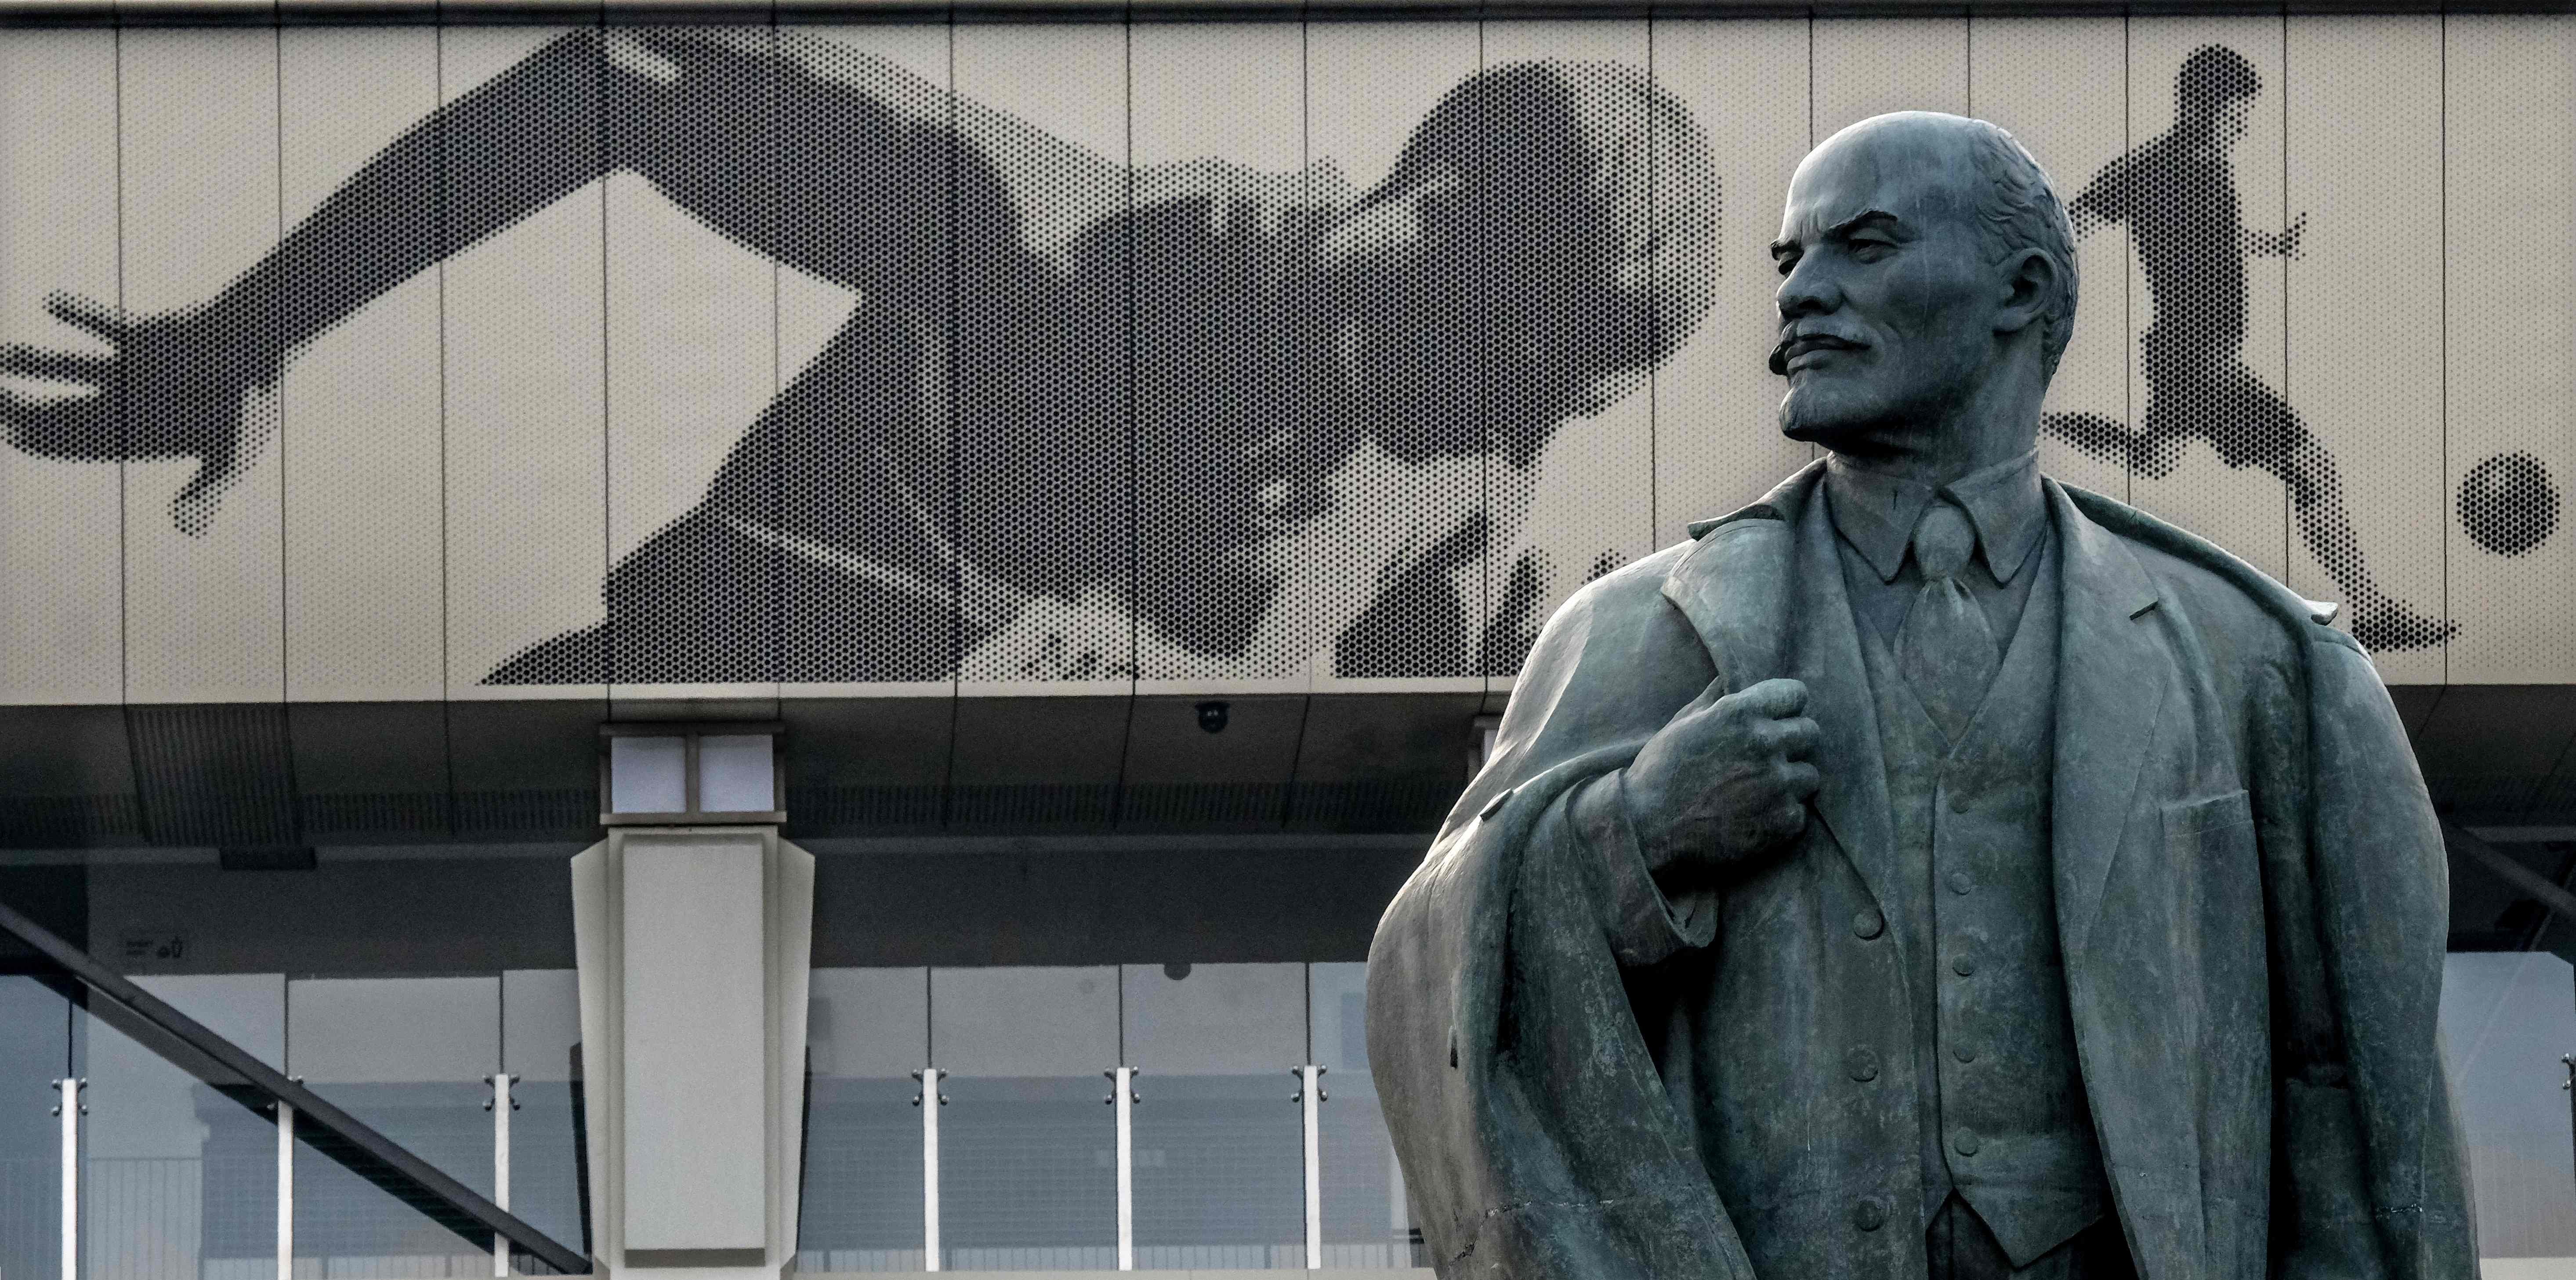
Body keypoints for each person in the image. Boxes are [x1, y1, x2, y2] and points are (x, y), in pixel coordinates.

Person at [1367, 112, 2473, 1280]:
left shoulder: (2258, 665)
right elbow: (1425, 971)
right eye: (1792, 264)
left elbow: (2352, 1104)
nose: (1801, 296)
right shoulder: (1639, 635)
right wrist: (1632, 830)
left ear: (2021, 289)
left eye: (1865, 246)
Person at [0, 30, 1716, 684]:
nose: (1466, 433)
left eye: (1526, 410)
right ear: (1416, 205)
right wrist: (252, 328)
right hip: (663, 786)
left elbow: (1416, 730)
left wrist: (1496, 736)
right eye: (1472, 364)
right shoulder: (1035, 245)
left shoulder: (1476, 438)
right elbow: (608, 85)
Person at [2046, 43, 2452, 651]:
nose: (2242, 126)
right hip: (2201, 361)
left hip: (2189, 356)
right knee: (2310, 466)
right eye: (2235, 113)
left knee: (2152, 458)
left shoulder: (2208, 165)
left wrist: (2266, 244)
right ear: (2204, 106)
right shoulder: (2158, 166)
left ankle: (2044, 424)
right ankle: (2373, 609)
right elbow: (2073, 223)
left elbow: (2212, 233)